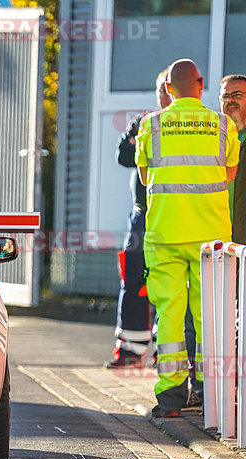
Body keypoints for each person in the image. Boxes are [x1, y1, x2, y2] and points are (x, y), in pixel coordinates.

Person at [135, 59, 240, 418]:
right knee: (211, 317)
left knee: (169, 317)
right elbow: (228, 175)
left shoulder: (151, 125)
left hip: (164, 235)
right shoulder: (224, 125)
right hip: (211, 240)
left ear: (168, 89)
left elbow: (146, 176)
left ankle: (170, 400)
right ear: (201, 83)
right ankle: (214, 398)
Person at [106, 69, 170, 369]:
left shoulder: (193, 126)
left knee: (172, 285)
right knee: (133, 280)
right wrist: (135, 134)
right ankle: (131, 350)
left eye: (169, 89)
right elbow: (123, 156)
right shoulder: (145, 123)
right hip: (141, 216)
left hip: (174, 216)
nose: (166, 95)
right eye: (162, 90)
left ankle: (167, 352)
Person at [220, 74, 246, 243]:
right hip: (220, 232)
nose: (230, 100)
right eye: (225, 96)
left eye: (237, 95)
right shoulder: (212, 137)